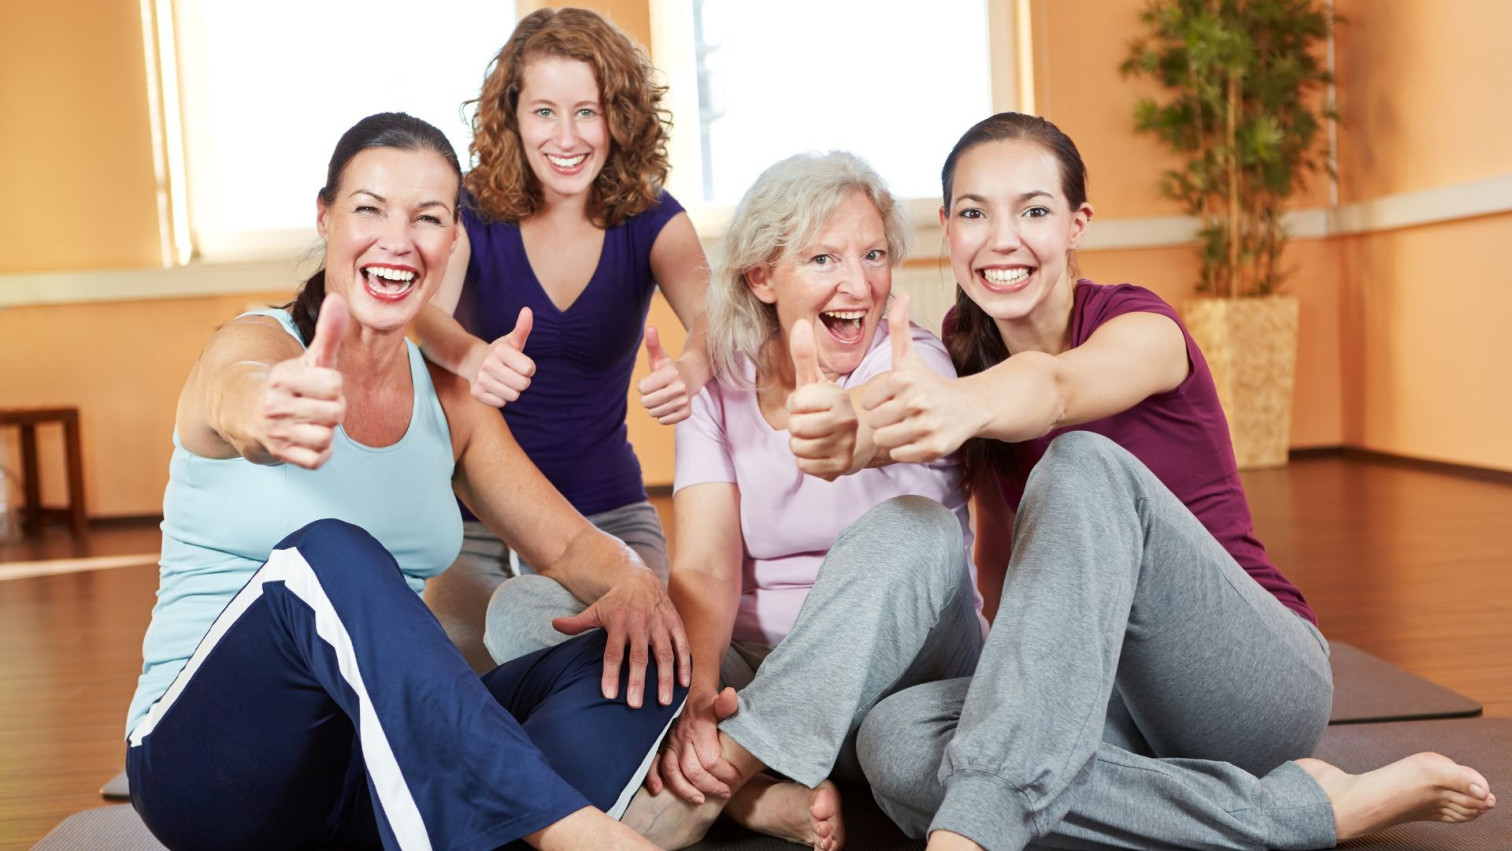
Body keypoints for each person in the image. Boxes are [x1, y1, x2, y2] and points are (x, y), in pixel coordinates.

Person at [826, 112, 1498, 850]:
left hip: (1248, 685)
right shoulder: (963, 349)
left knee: (1080, 463)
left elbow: (1053, 387)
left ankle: (972, 832)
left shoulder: (1143, 327)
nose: (1003, 238)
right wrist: (834, 429)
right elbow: (992, 562)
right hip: (1109, 691)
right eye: (974, 213)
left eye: (1035, 210)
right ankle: (1308, 808)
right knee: (896, 739)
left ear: (1078, 224)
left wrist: (967, 403)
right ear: (949, 231)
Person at [124, 112, 690, 851]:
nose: (398, 239)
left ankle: (476, 830)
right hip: (211, 767)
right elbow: (239, 390)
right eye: (369, 209)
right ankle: (573, 834)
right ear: (325, 217)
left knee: (641, 652)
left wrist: (635, 578)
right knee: (328, 552)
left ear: (452, 239)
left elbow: (567, 544)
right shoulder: (256, 343)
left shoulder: (451, 402)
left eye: (427, 217)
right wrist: (267, 409)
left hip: (366, 778)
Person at [586, 151, 983, 849]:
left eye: (873, 254)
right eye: (824, 259)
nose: (858, 282)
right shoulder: (719, 386)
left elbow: (896, 417)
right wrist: (700, 695)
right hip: (758, 664)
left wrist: (846, 420)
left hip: (908, 670)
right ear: (762, 277)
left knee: (916, 528)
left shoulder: (915, 358)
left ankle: (721, 775)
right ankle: (755, 797)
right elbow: (707, 566)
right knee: (549, 618)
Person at [416, 9, 711, 666]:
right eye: (545, 111)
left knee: (631, 660)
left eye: (589, 110)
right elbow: (424, 314)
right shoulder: (470, 211)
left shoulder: (652, 216)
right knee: (484, 667)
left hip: (610, 515)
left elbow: (716, 316)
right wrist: (471, 354)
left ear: (619, 116)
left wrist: (693, 366)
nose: (568, 135)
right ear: (512, 117)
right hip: (476, 525)